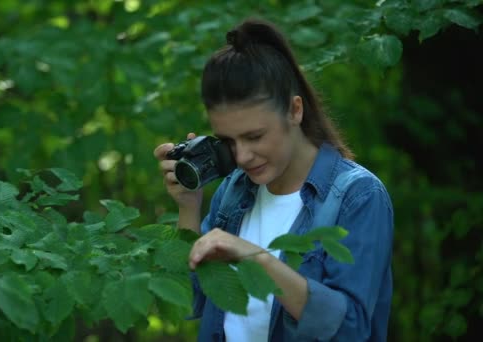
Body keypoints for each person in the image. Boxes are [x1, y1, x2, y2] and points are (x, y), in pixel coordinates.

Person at [153, 17, 394, 342]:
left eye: (255, 136)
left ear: (295, 111)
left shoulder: (357, 197)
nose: (241, 157)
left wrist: (254, 256)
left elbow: (352, 330)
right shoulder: (234, 192)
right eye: (228, 141)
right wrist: (188, 207)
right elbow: (189, 300)